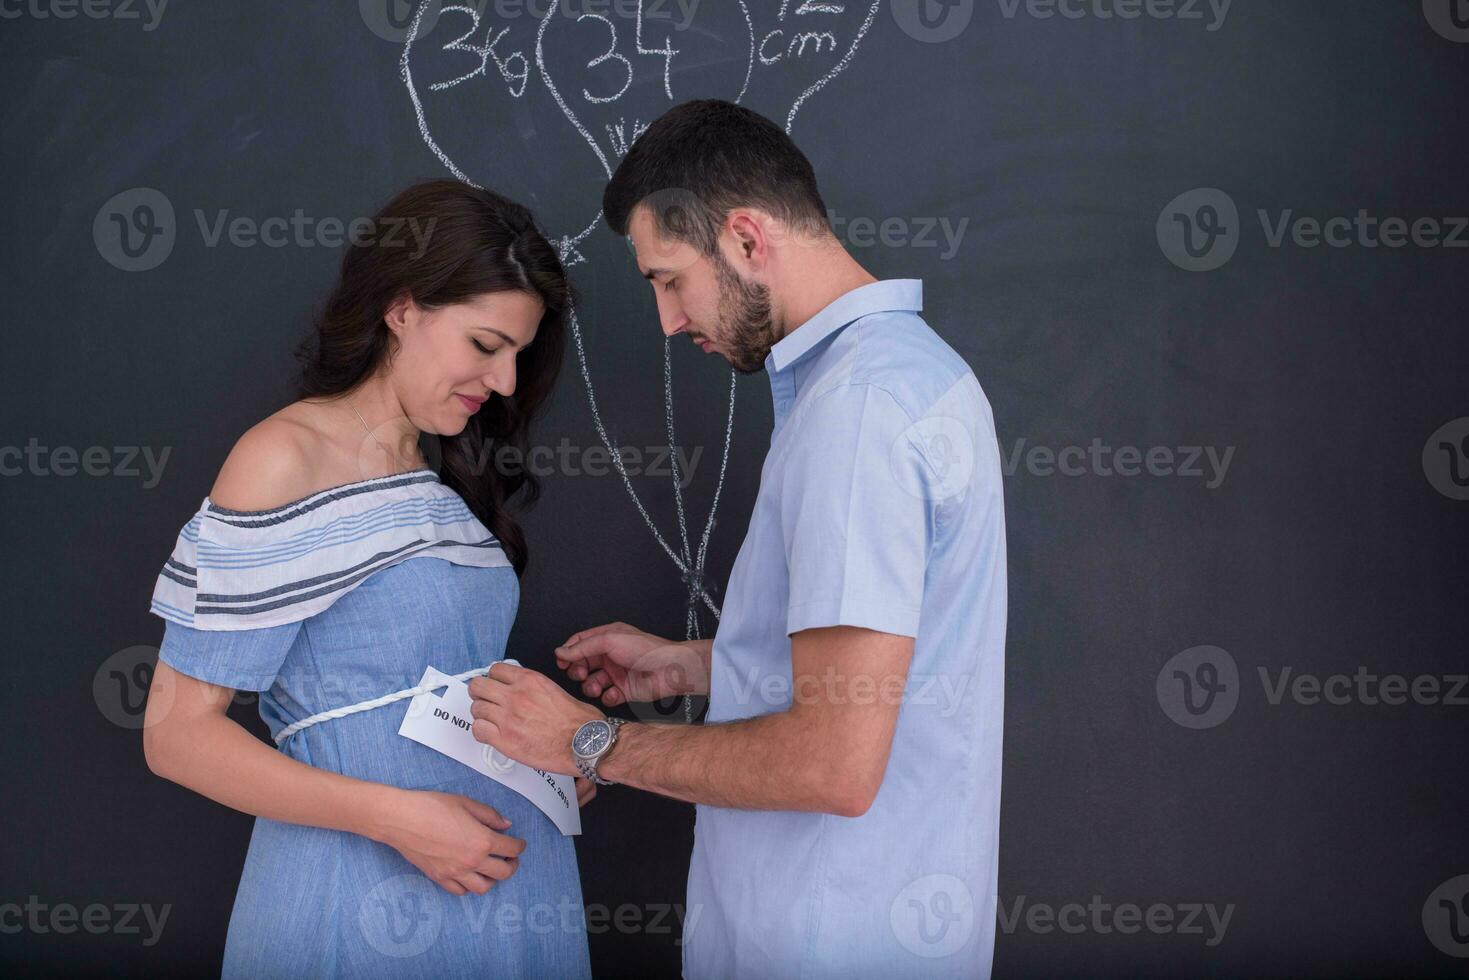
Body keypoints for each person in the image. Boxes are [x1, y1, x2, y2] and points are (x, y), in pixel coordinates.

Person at [467, 100, 1008, 977]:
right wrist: (708, 664)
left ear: (747, 239)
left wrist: (584, 740)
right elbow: (896, 667)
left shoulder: (858, 416)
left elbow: (831, 764)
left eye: (668, 279)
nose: (669, 322)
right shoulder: (909, 378)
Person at [142, 180, 594, 978]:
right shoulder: (285, 459)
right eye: (486, 346)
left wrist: (545, 753)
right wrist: (396, 819)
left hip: (508, 887)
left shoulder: (441, 470)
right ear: (402, 308)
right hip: (361, 890)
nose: (506, 384)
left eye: (519, 355)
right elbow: (177, 736)